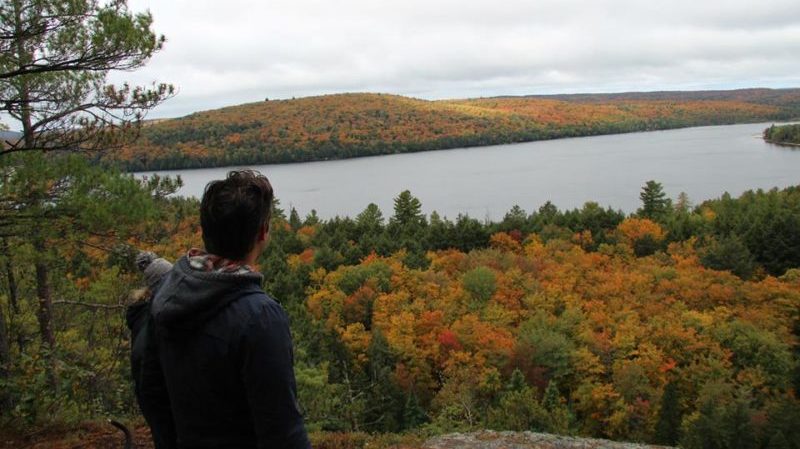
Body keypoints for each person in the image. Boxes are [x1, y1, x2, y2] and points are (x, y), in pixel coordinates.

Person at [140, 170, 310, 449]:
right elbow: (282, 430)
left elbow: (152, 393)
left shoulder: (166, 295)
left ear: (205, 230)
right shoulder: (259, 317)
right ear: (262, 233)